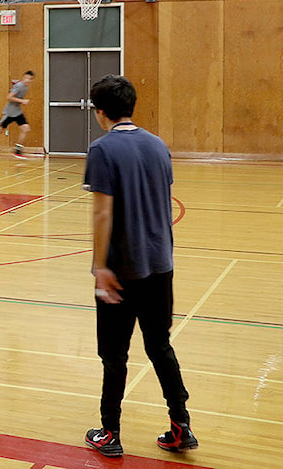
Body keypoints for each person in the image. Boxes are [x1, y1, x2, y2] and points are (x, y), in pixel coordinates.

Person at [82, 75, 197, 458]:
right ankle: (181, 425)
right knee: (159, 345)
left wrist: (100, 266)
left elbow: (102, 212)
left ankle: (110, 432)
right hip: (161, 264)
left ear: (100, 112)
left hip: (122, 270)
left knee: (114, 355)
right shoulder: (158, 145)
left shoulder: (102, 149)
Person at [0, 70, 34, 158]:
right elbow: (9, 97)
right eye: (26, 78)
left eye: (30, 79)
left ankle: (18, 149)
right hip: (9, 112)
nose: (27, 80)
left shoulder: (25, 87)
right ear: (23, 78)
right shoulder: (19, 86)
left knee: (25, 128)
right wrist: (22, 101)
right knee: (0, 129)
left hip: (17, 112)